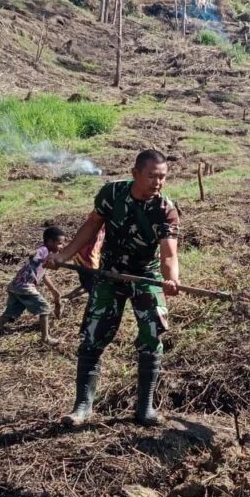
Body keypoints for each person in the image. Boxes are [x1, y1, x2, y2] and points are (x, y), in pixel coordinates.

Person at [48, 149, 180, 428]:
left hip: (146, 276)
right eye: (152, 176)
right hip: (109, 273)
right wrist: (65, 255)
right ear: (135, 174)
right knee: (93, 335)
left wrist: (171, 280)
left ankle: (145, 408)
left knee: (152, 334)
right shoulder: (112, 194)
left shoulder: (165, 209)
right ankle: (82, 407)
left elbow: (169, 254)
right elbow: (92, 225)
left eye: (163, 177)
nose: (158, 182)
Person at [0, 225, 65, 350]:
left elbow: (43, 274)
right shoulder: (43, 250)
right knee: (45, 309)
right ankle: (46, 338)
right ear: (49, 242)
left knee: (8, 314)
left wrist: (54, 291)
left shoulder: (47, 256)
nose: (61, 246)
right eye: (59, 243)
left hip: (16, 286)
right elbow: (34, 254)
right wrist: (28, 253)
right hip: (24, 286)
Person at [63, 224, 105, 302]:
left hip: (82, 259)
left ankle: (66, 298)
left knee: (87, 285)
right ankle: (65, 299)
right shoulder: (98, 227)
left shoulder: (100, 226)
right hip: (88, 262)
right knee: (92, 287)